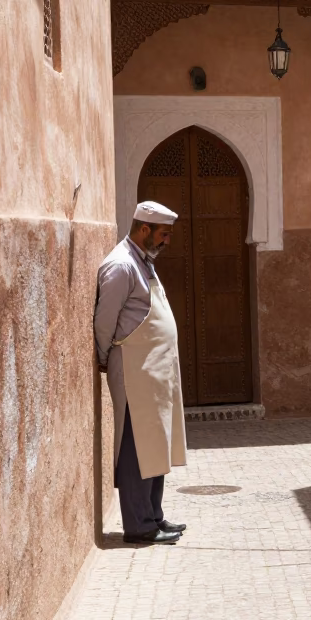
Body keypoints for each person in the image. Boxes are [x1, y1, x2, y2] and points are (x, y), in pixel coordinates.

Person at [94, 201, 188, 545]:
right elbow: (105, 322)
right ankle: (138, 526)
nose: (167, 241)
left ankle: (154, 516)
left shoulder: (142, 261)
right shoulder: (121, 265)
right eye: (163, 234)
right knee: (136, 447)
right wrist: (105, 357)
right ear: (144, 229)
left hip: (153, 371)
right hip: (133, 369)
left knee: (155, 442)